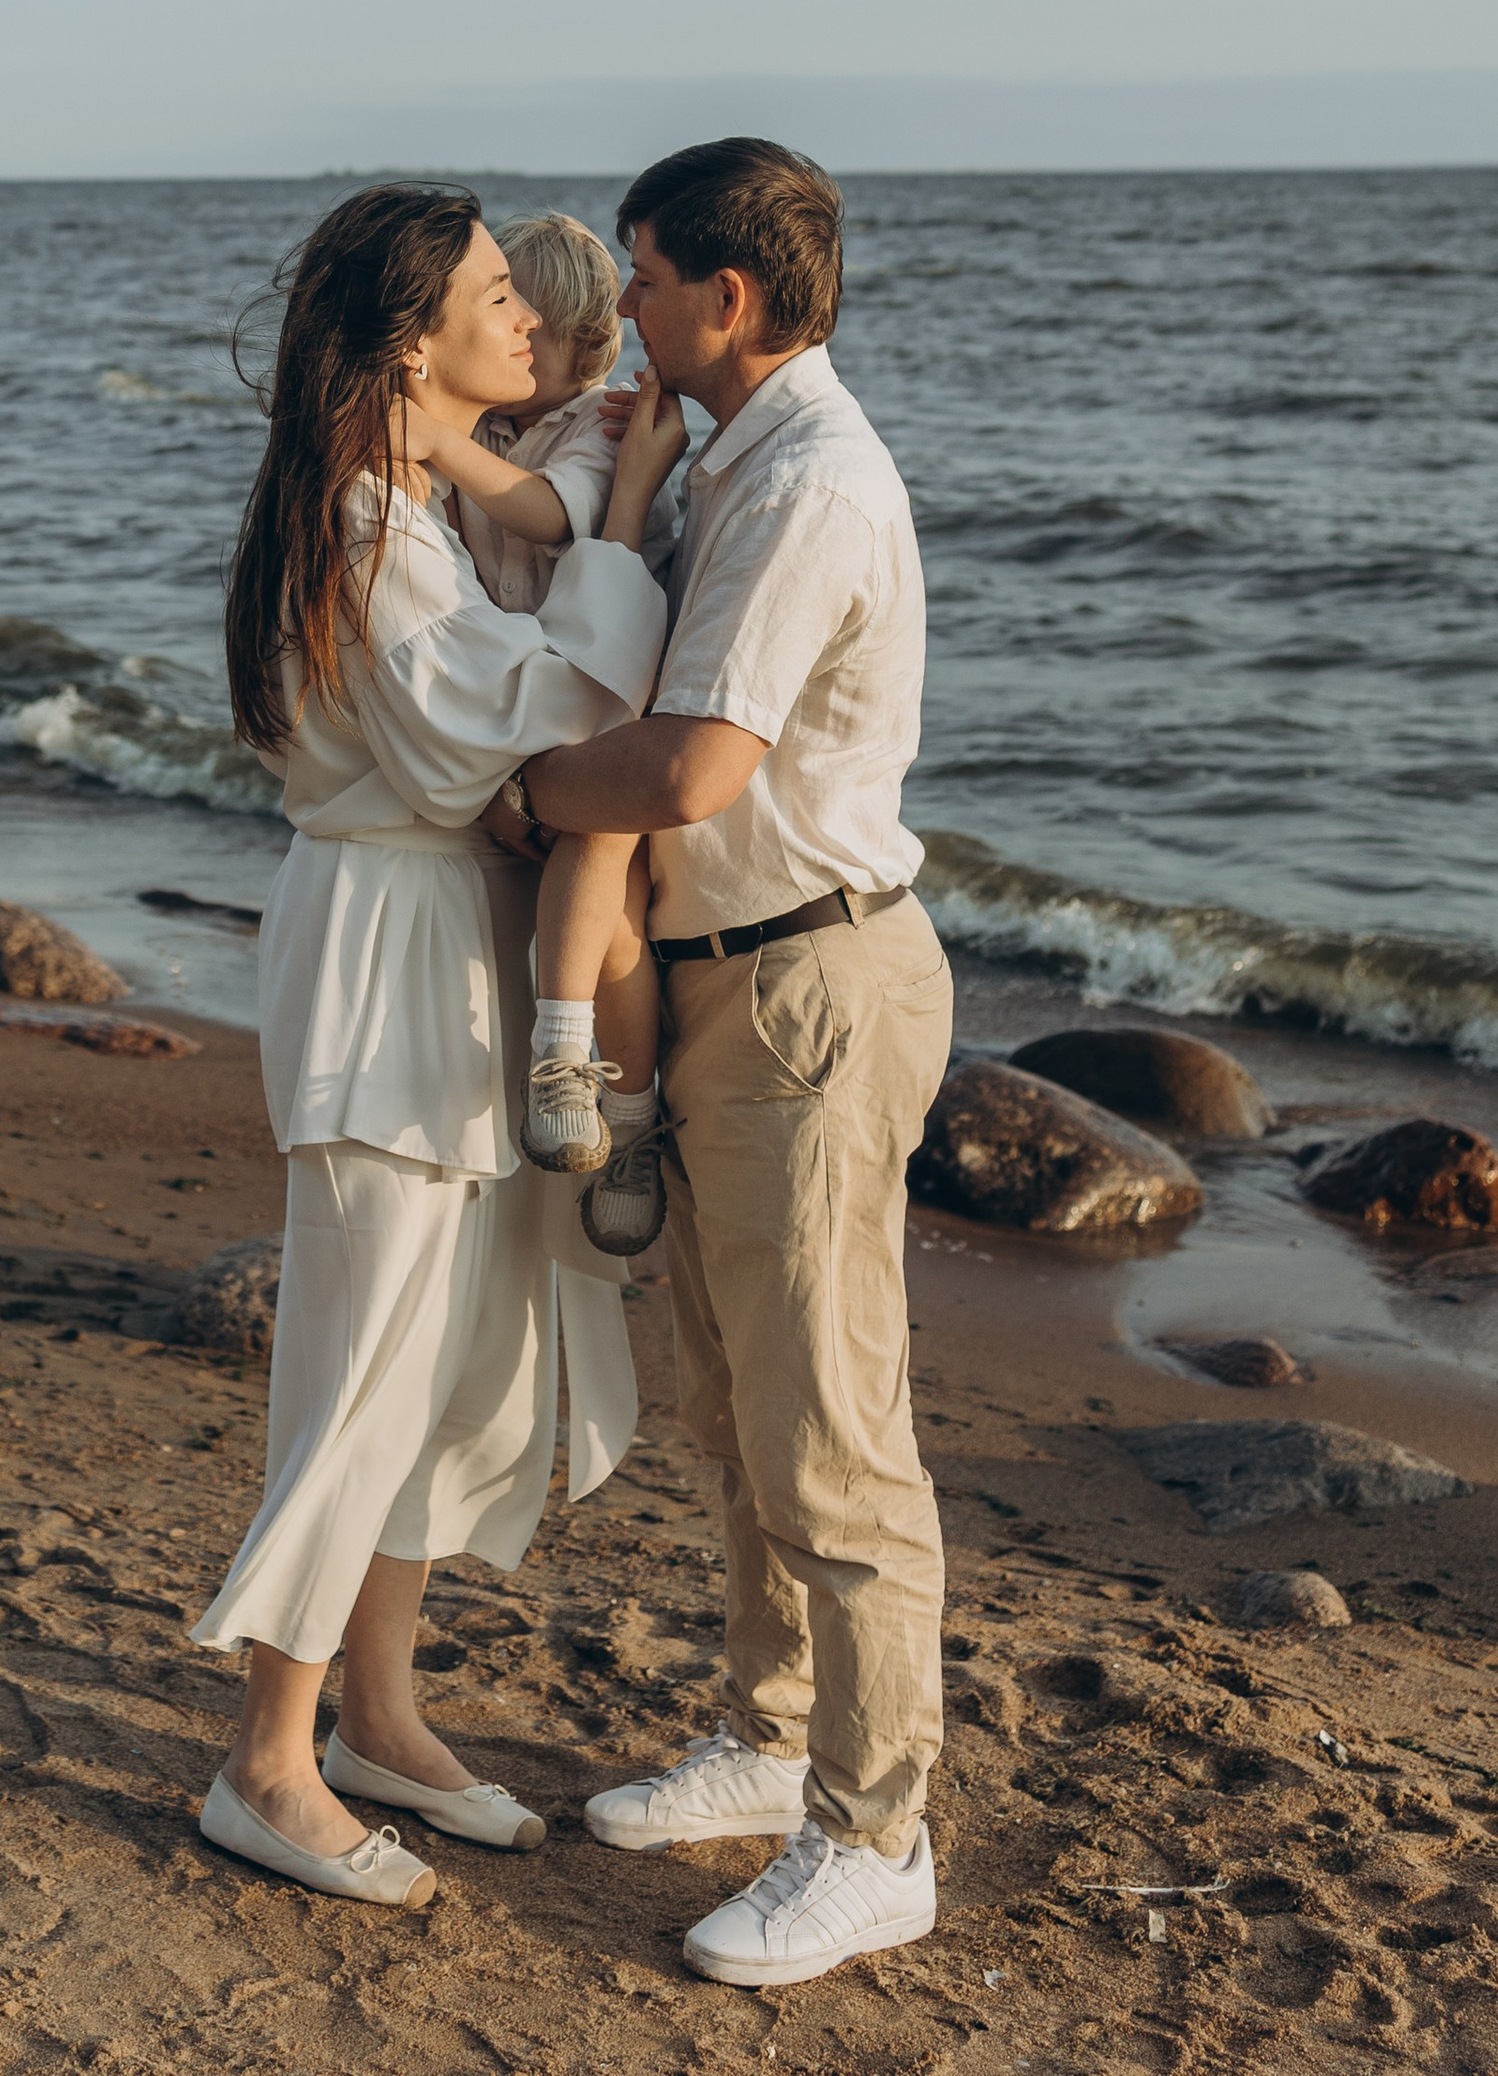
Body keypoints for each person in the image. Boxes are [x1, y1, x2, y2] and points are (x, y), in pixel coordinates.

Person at [192, 184, 688, 1910]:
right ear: (415, 338)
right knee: (357, 1370)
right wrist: (619, 517)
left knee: (452, 1357)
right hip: (387, 957)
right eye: (495, 294)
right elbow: (532, 705)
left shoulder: (406, 501)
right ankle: (264, 1760)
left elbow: (508, 717)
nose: (530, 324)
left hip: (445, 947)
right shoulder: (361, 521)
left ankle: (376, 1713)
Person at [520, 137, 953, 1995]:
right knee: (735, 1402)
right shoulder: (724, 458)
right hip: (711, 986)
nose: (622, 310)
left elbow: (693, 767)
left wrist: (516, 795)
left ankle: (877, 1838)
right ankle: (768, 1737)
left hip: (806, 987)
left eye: (641, 277)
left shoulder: (815, 490)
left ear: (732, 296)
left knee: (834, 1433)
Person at [422, 211, 676, 1244]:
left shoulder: (597, 430)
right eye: (501, 309)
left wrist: (432, 438)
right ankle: (584, 1089)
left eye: (531, 317)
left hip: (610, 688)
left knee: (607, 894)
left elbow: (548, 516)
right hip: (526, 696)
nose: (515, 329)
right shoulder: (482, 431)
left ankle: (609, 1103)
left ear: (578, 342)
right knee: (585, 907)